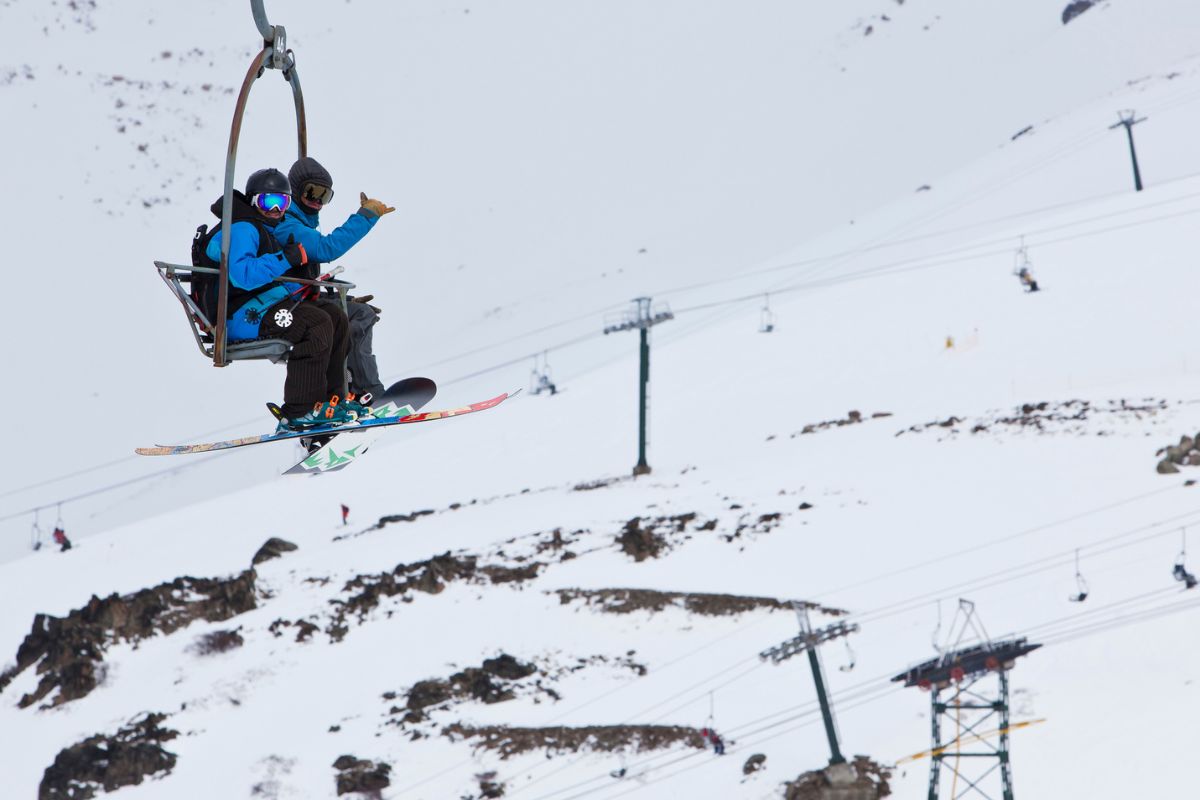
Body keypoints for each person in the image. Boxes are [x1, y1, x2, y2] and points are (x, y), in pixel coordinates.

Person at [198, 168, 362, 431]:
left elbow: (267, 279)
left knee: (335, 317)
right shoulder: (242, 228)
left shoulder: (264, 228)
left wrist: (301, 288)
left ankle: (332, 402)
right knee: (315, 324)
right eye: (268, 202)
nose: (275, 209)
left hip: (259, 308)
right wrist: (285, 258)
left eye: (282, 203)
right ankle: (300, 411)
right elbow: (243, 275)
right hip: (239, 316)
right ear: (253, 200)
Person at [273, 157, 395, 401]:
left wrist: (335, 297)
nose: (318, 201)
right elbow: (328, 248)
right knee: (358, 315)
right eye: (312, 191)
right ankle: (365, 392)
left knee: (357, 312)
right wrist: (366, 217)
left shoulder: (298, 222)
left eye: (325, 195)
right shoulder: (287, 225)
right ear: (295, 191)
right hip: (286, 305)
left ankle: (353, 391)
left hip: (296, 296)